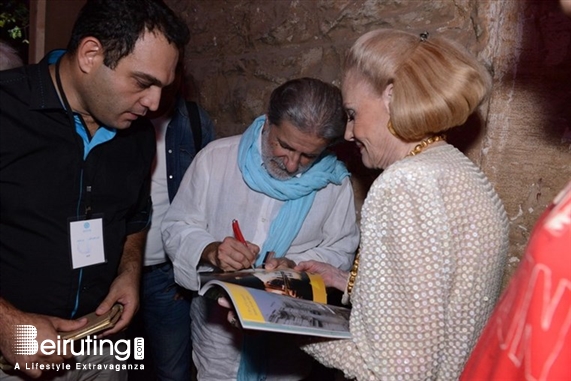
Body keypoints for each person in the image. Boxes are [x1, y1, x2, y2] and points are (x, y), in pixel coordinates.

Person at [295, 29, 510, 380]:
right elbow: (437, 299)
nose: (348, 133)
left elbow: (399, 373)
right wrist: (350, 282)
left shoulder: (402, 185)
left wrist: (290, 324)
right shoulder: (457, 169)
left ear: (391, 97)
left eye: (352, 113)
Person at [0, 0, 189, 379]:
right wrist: (6, 322)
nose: (153, 103)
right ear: (90, 54)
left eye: (162, 87)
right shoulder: (6, 110)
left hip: (102, 349)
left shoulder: (136, 135)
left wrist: (129, 271)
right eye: (142, 82)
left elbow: (135, 216)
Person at [161, 77, 360, 380]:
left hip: (287, 342)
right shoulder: (216, 160)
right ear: (268, 122)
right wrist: (211, 250)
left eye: (309, 156)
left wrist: (295, 268)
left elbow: (341, 249)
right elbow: (177, 226)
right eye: (284, 146)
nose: (292, 165)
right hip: (219, 337)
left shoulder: (335, 184)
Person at [141, 62, 215, 381]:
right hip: (110, 271)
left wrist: (184, 273)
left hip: (166, 276)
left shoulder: (195, 122)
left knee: (172, 371)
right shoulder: (116, 119)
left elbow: (210, 201)